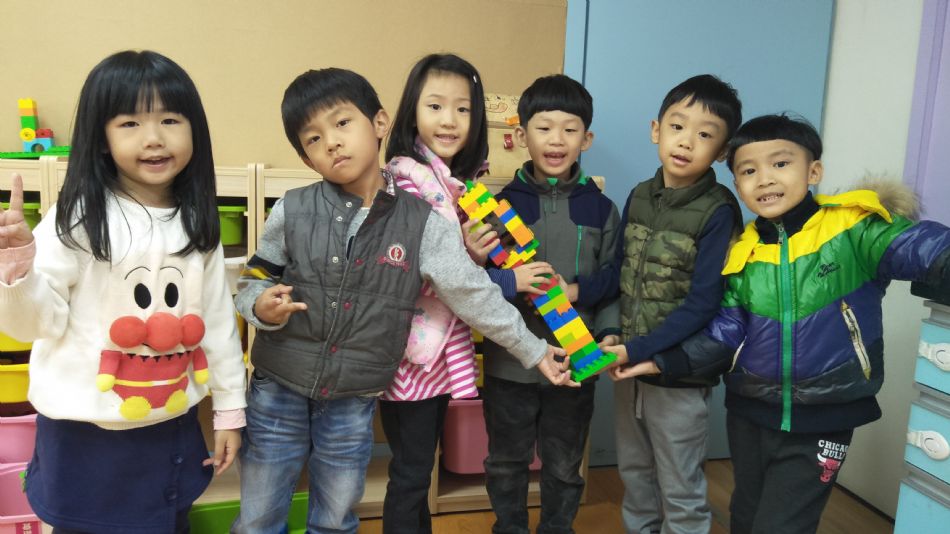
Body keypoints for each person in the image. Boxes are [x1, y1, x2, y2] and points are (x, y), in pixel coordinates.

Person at [231, 67, 575, 534]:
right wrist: (259, 306)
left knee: (335, 517)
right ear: (306, 158)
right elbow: (253, 279)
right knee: (258, 516)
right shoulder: (293, 208)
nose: (332, 143)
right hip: (278, 386)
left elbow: (473, 294)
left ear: (379, 122)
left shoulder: (423, 221)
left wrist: (534, 350)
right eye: (313, 139)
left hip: (352, 397)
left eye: (342, 123)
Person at [623, 114, 950, 533]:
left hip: (825, 416)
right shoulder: (743, 252)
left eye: (780, 163)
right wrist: (661, 362)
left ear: (813, 171)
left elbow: (924, 247)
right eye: (748, 171)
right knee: (745, 517)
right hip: (749, 415)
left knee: (782, 526)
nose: (764, 179)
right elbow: (725, 334)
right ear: (737, 183)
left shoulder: (853, 229)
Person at [0, 50, 247, 533]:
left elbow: (218, 324)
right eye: (130, 123)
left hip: (170, 425)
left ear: (194, 130)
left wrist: (229, 411)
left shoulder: (197, 222)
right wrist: (17, 274)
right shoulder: (78, 217)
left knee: (169, 523)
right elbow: (34, 325)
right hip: (83, 434)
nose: (154, 138)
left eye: (170, 120)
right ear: (101, 137)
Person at [380, 53, 556, 534]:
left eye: (463, 109)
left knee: (417, 470)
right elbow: (434, 276)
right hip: (410, 354)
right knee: (411, 473)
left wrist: (472, 256)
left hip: (431, 354)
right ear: (412, 112)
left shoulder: (452, 183)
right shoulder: (409, 181)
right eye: (435, 106)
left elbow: (449, 266)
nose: (450, 120)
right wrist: (508, 280)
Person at [598, 74, 743, 533]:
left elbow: (704, 304)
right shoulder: (641, 194)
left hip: (679, 376)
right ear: (656, 130)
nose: (686, 142)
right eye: (678, 127)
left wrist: (638, 350)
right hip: (628, 367)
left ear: (721, 151)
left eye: (705, 135)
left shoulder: (719, 210)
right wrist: (612, 332)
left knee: (680, 485)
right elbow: (619, 274)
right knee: (635, 473)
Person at [477, 73, 621, 534]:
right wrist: (509, 277)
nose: (556, 139)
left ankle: (558, 527)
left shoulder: (601, 208)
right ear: (522, 135)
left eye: (569, 129)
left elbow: (614, 281)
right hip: (510, 364)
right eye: (544, 128)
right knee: (506, 461)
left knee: (563, 464)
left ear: (586, 139)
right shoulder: (498, 207)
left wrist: (608, 332)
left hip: (576, 362)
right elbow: (478, 284)